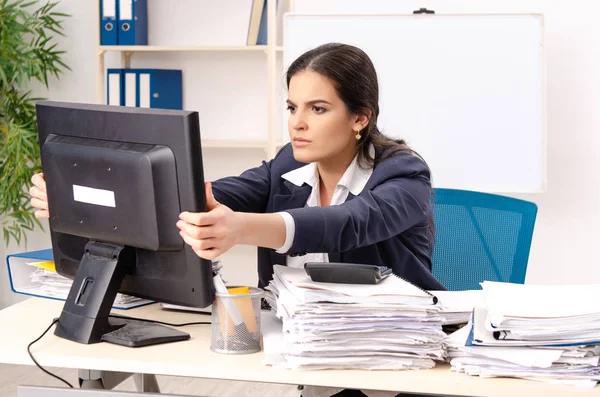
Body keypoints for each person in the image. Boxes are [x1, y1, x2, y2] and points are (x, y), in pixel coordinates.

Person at [30, 43, 445, 397]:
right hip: (313, 356)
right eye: (292, 106)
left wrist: (242, 228)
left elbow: (349, 222)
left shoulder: (404, 175)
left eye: (317, 109)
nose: (297, 123)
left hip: (398, 366)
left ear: (360, 118)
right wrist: (76, 194)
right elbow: (212, 194)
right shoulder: (289, 164)